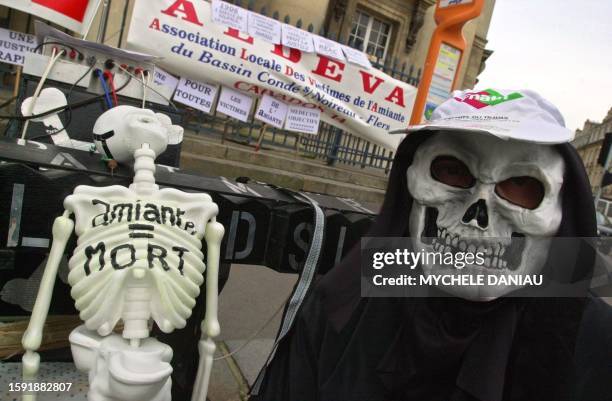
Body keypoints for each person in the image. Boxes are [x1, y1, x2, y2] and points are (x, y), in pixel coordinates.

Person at [249, 89, 612, 401]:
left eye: (519, 184)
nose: (477, 215)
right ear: (411, 183)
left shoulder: (590, 340)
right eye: (454, 171)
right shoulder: (346, 302)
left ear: (560, 211)